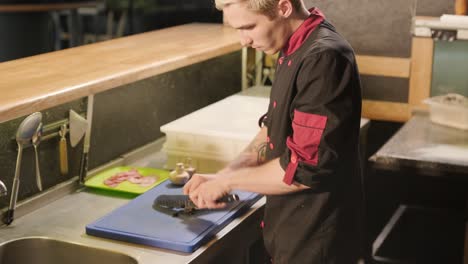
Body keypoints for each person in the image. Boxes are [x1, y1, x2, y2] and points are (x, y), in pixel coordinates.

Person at [183, 0, 363, 263]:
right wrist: (225, 173)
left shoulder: (323, 58)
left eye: (248, 27)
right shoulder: (293, 45)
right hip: (291, 234)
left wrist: (229, 182)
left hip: (317, 244)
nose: (243, 40)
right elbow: (272, 129)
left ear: (283, 7)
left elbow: (304, 169)